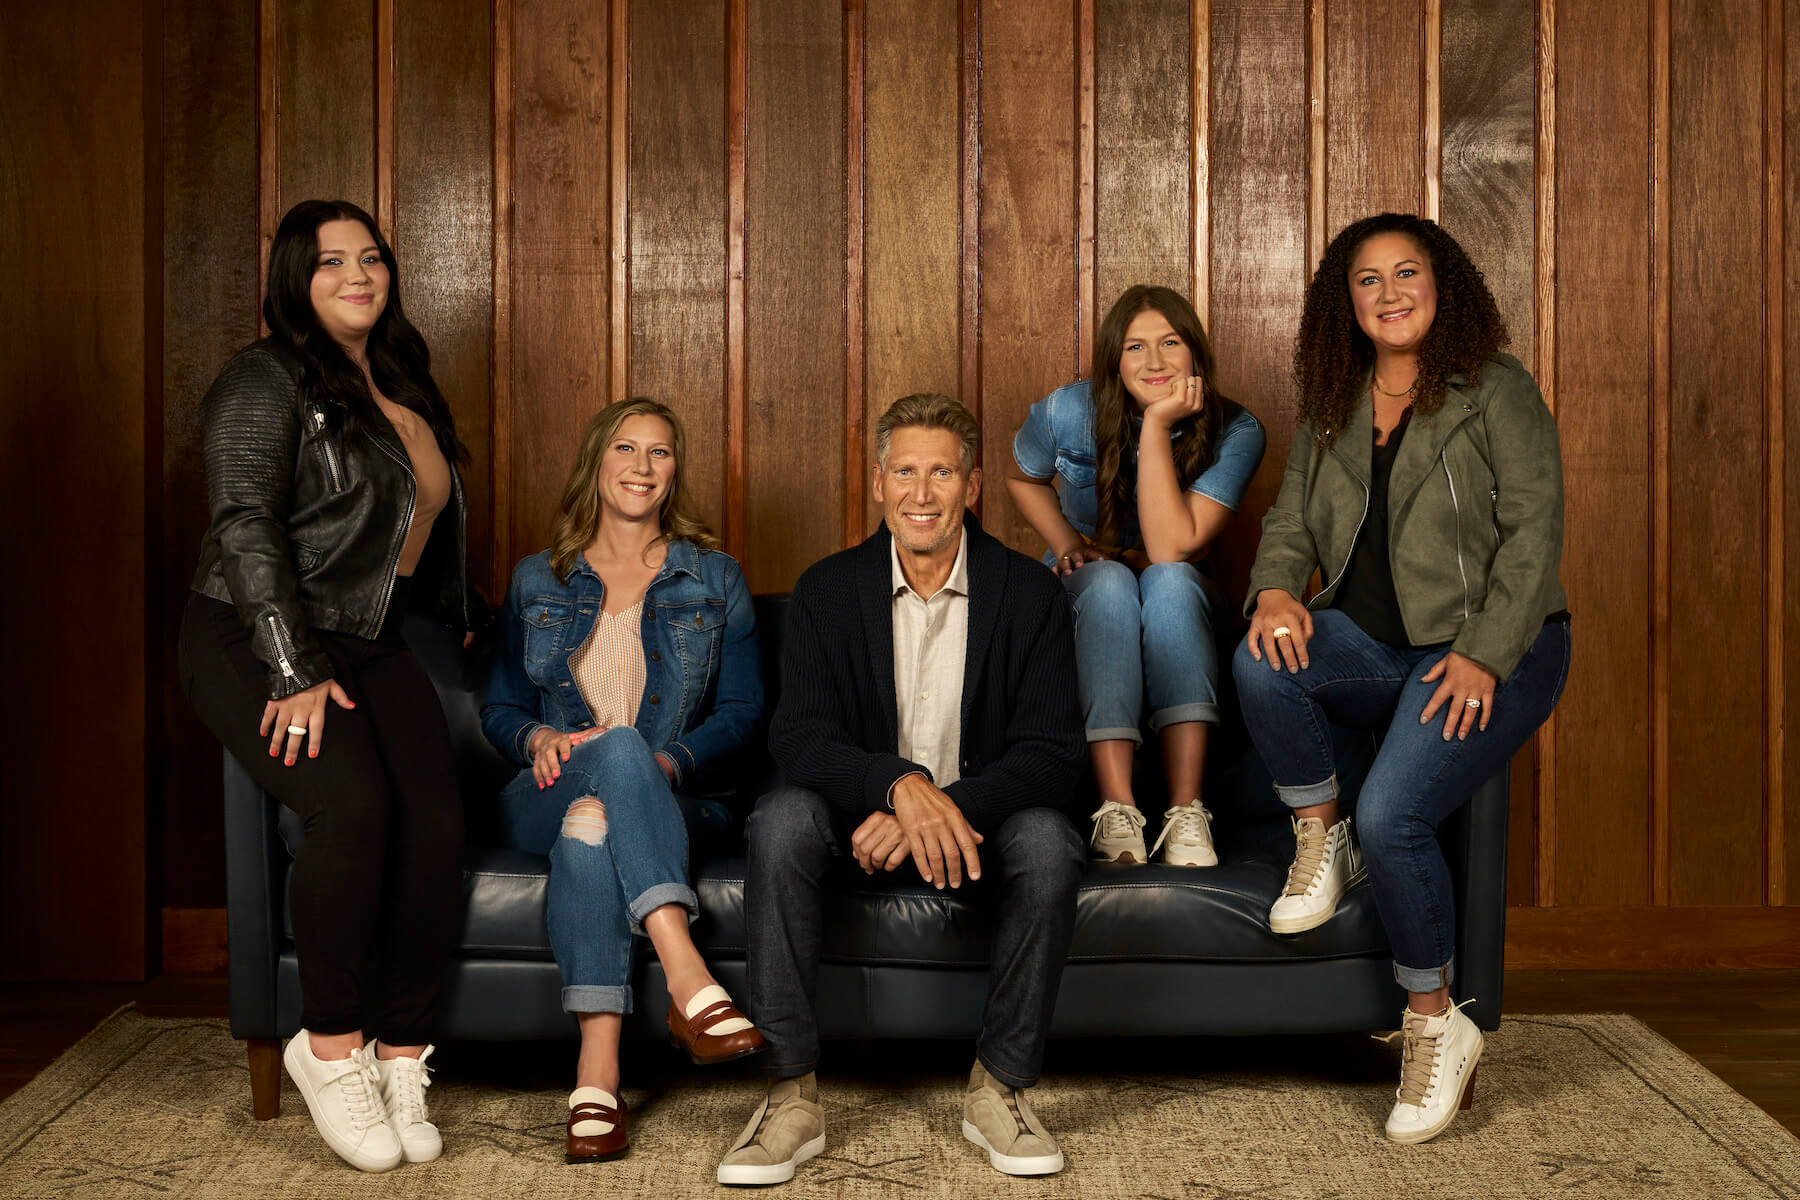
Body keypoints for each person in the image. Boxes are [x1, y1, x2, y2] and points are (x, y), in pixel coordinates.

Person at [1233, 213, 1571, 1144]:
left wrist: (1485, 652)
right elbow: (1293, 527)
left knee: (1396, 814)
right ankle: (1318, 833)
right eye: (1367, 280)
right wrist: (1271, 592)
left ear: (1442, 282)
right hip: (1380, 647)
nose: (1389, 294)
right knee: (1261, 657)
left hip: (1498, 648)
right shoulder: (1335, 397)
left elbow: (1535, 535)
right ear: (1344, 304)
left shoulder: (1494, 388)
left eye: (1406, 272)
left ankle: (1434, 1021)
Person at [717, 394, 1086, 1184]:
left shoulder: (1029, 595)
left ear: (974, 486)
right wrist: (894, 788)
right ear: (879, 483)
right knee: (780, 820)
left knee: (1051, 841)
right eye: (906, 472)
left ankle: (1001, 1087)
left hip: (979, 831)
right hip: (857, 829)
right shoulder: (825, 590)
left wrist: (940, 805)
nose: (923, 493)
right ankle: (790, 1094)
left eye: (943, 473)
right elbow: (800, 738)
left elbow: (1053, 756)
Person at [178, 199, 475, 1172]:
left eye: (372, 257)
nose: (359, 274)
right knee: (351, 807)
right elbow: (245, 524)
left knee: (434, 822)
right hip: (252, 629)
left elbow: (413, 528)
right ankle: (330, 1044)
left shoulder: (398, 376)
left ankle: (400, 1053)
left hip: (372, 636)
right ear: (295, 280)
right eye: (332, 261)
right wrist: (292, 666)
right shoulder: (262, 379)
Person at [482, 398, 766, 1163]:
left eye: (661, 453)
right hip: (543, 791)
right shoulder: (539, 579)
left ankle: (597, 1076)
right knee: (600, 764)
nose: (643, 467)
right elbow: (500, 707)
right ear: (596, 463)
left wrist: (661, 762)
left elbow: (743, 712)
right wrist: (537, 735)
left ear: (675, 472)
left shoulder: (713, 579)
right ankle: (689, 978)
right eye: (626, 449)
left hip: (676, 799)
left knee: (594, 819)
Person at [1007, 285, 1265, 867]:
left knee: (1167, 582)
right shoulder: (1066, 410)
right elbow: (1021, 478)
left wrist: (1155, 426)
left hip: (1179, 590)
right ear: (1112, 360)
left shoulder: (1237, 429)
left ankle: (1186, 812)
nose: (1153, 363)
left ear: (1195, 353)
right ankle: (1117, 810)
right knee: (1106, 584)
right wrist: (1069, 544)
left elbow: (1171, 549)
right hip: (1091, 583)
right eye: (1135, 347)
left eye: (1170, 343)